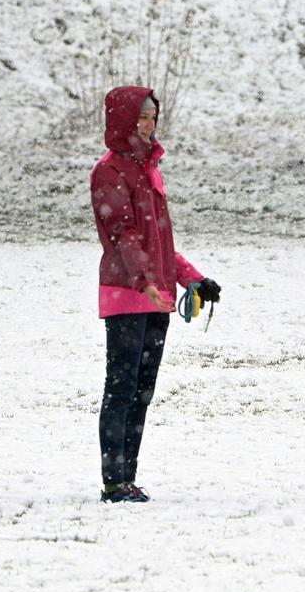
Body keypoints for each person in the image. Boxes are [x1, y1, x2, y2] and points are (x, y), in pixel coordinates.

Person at [89, 86, 221, 503]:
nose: (148, 125)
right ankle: (113, 482)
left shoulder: (149, 169)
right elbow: (123, 234)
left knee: (142, 389)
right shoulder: (110, 171)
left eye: (152, 118)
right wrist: (145, 281)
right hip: (127, 294)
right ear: (124, 121)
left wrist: (193, 280)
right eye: (141, 118)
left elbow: (159, 240)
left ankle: (128, 478)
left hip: (156, 297)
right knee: (122, 387)